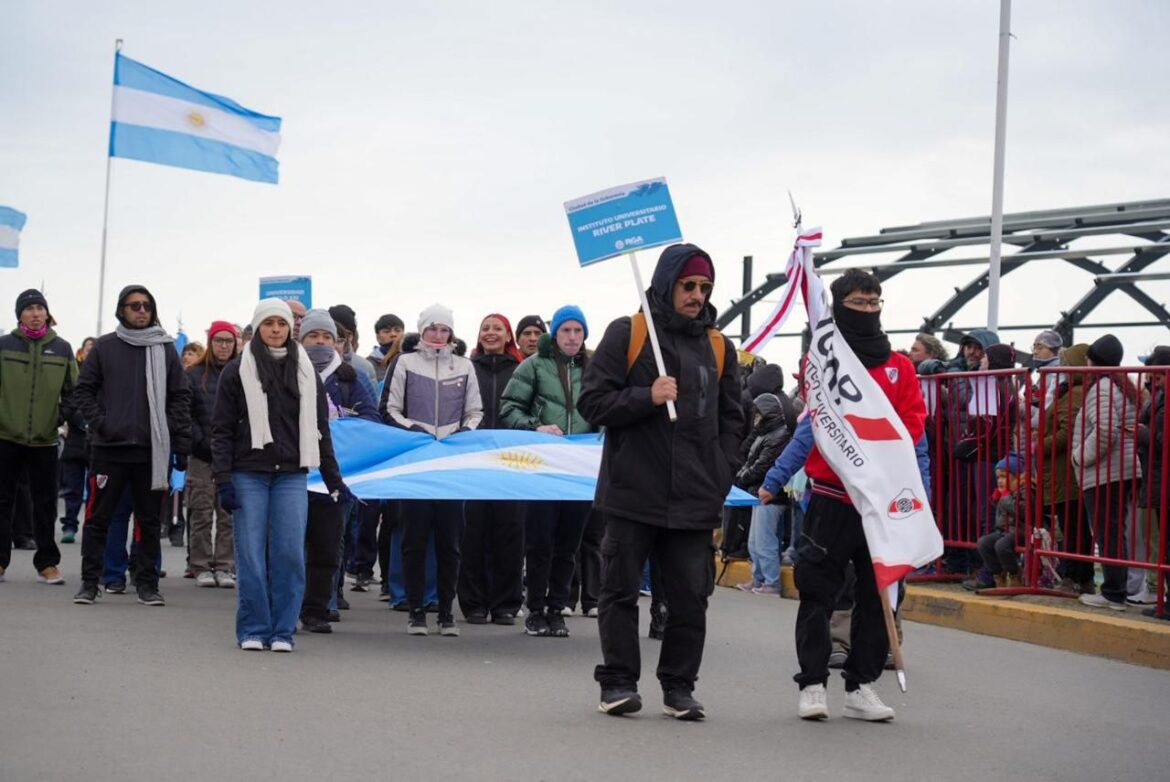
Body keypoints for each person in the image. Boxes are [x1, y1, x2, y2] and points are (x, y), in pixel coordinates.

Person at [579, 243, 743, 721]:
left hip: (695, 496)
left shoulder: (718, 346)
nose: (697, 295)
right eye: (688, 285)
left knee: (691, 600)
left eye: (705, 287)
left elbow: (733, 418)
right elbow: (593, 403)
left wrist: (720, 471)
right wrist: (645, 396)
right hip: (632, 492)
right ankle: (618, 682)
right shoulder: (628, 333)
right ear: (667, 283)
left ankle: (679, 687)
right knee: (619, 592)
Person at [763, 268, 924, 723]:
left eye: (875, 302)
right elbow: (814, 422)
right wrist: (774, 477)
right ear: (839, 307)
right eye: (859, 303)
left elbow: (913, 423)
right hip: (831, 497)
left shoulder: (900, 367)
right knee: (818, 593)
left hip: (879, 501)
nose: (869, 310)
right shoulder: (823, 362)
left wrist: (880, 455)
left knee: (877, 597)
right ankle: (812, 684)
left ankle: (861, 686)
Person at [211, 299, 347, 650]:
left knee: (289, 555)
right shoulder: (236, 371)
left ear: (290, 328)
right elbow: (221, 430)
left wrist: (334, 480)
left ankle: (283, 631)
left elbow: (320, 430)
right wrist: (223, 479)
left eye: (282, 323)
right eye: (269, 323)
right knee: (251, 556)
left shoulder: (306, 371)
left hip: (291, 474)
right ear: (258, 327)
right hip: (248, 473)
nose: (275, 329)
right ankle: (254, 629)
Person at [71, 285, 191, 606]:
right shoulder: (105, 347)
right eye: (134, 305)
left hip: (151, 452)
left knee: (149, 521)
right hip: (109, 450)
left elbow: (180, 395)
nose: (141, 311)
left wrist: (171, 431)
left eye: (147, 306)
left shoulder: (165, 348)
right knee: (98, 519)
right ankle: (90, 582)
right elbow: (83, 391)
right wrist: (103, 423)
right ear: (121, 310)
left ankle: (147, 585)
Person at [384, 303, 483, 636]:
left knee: (449, 542)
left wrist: (465, 432)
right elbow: (390, 410)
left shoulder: (464, 366)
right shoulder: (405, 363)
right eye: (432, 329)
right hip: (418, 463)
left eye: (444, 329)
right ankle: (416, 611)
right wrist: (414, 431)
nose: (438, 335)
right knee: (414, 539)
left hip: (451, 466)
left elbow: (476, 411)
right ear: (422, 330)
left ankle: (445, 613)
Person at [500, 305, 597, 636]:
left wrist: (603, 431)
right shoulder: (533, 365)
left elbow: (605, 408)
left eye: (578, 331)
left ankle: (557, 608)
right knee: (540, 541)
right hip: (543, 465)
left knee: (569, 544)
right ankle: (536, 609)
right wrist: (535, 426)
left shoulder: (594, 368)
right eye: (565, 330)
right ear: (555, 334)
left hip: (579, 468)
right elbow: (509, 407)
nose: (572, 337)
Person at [297, 309, 379, 633]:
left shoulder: (350, 379)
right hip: (294, 472)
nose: (320, 342)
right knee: (292, 544)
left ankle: (321, 605)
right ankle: (290, 603)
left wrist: (343, 418)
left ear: (337, 342)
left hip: (336, 472)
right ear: (301, 340)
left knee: (329, 544)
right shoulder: (288, 371)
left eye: (326, 337)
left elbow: (372, 418)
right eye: (313, 336)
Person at [0, 290, 79, 585]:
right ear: (19, 314)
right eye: (29, 308)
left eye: (40, 308)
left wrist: (59, 417)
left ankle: (47, 563)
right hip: (6, 436)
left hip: (45, 439)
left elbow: (74, 391)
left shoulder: (62, 348)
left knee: (45, 504)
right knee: (2, 501)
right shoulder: (4, 346)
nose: (35, 313)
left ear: (47, 313)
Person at [459, 313, 525, 625]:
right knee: (473, 533)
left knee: (510, 532)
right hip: (474, 461)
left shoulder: (521, 369)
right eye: (485, 328)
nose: (491, 333)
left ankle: (506, 604)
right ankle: (473, 603)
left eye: (497, 328)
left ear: (508, 335)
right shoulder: (467, 369)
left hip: (513, 462)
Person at [1074, 334, 1142, 611]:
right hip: (1123, 468)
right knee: (1116, 531)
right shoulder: (1122, 385)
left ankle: (1113, 593)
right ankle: (1118, 591)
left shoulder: (1101, 387)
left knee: (1108, 533)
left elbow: (1105, 430)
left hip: (1106, 472)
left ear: (1094, 361)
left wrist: (1080, 456)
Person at [1036, 343, 1095, 594]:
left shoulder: (1076, 394)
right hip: (1063, 472)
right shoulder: (1073, 391)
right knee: (1074, 527)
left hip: (1066, 472)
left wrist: (1039, 445)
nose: (1061, 368)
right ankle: (1081, 578)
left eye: (1066, 363)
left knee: (1073, 528)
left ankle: (1075, 578)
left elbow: (1067, 433)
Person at [186, 320, 239, 589]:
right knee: (202, 512)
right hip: (202, 455)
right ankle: (201, 565)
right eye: (219, 340)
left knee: (229, 514)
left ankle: (225, 565)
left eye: (228, 341)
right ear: (210, 343)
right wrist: (199, 441)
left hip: (233, 456)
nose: (223, 346)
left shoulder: (242, 372)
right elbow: (185, 414)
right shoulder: (194, 374)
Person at [733, 393, 791, 595]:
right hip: (758, 492)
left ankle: (771, 582)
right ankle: (758, 578)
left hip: (772, 495)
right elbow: (752, 462)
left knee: (764, 540)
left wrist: (742, 477)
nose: (756, 418)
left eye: (759, 413)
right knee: (755, 541)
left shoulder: (779, 435)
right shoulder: (763, 434)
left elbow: (762, 465)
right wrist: (743, 474)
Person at [1136, 346, 1170, 618]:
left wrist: (1141, 433)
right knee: (1164, 543)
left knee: (1167, 543)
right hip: (1157, 476)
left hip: (1162, 477)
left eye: (1157, 375)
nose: (1153, 379)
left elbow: (1162, 440)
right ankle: (1166, 600)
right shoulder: (1159, 396)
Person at [974, 454, 1029, 587]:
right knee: (983, 543)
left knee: (1001, 545)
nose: (999, 481)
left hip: (1021, 531)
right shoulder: (1006, 492)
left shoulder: (1025, 490)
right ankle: (999, 575)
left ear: (1017, 477)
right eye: (998, 477)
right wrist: (997, 499)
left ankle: (1015, 575)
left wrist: (1004, 498)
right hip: (1005, 531)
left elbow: (1022, 511)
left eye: (1004, 477)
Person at [328, 304, 378, 389]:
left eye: (343, 334)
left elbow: (373, 397)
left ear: (350, 336)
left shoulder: (364, 368)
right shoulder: (309, 362)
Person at [368, 313, 404, 381]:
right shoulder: (369, 364)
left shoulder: (411, 359)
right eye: (387, 331)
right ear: (378, 337)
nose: (393, 334)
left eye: (398, 331)